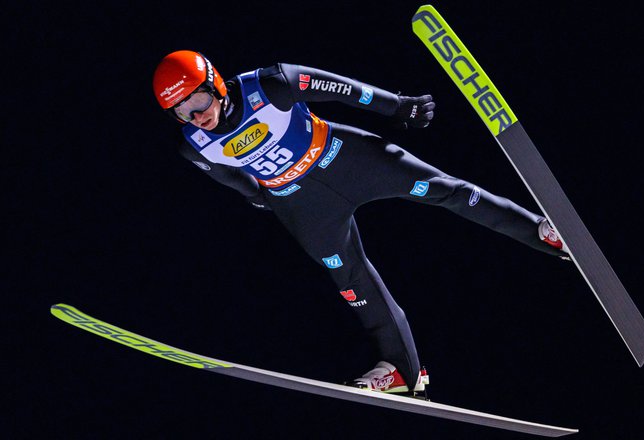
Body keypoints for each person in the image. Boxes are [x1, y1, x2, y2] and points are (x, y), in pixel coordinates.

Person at [152, 50, 568, 396]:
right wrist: (259, 196)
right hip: (302, 205)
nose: (196, 117)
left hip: (346, 159)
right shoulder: (194, 145)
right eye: (181, 113)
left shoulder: (271, 83)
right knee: (351, 280)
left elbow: (342, 88)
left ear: (216, 83)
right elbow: (228, 177)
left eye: (199, 103)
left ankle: (542, 232)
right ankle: (404, 371)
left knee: (446, 191)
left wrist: (397, 106)